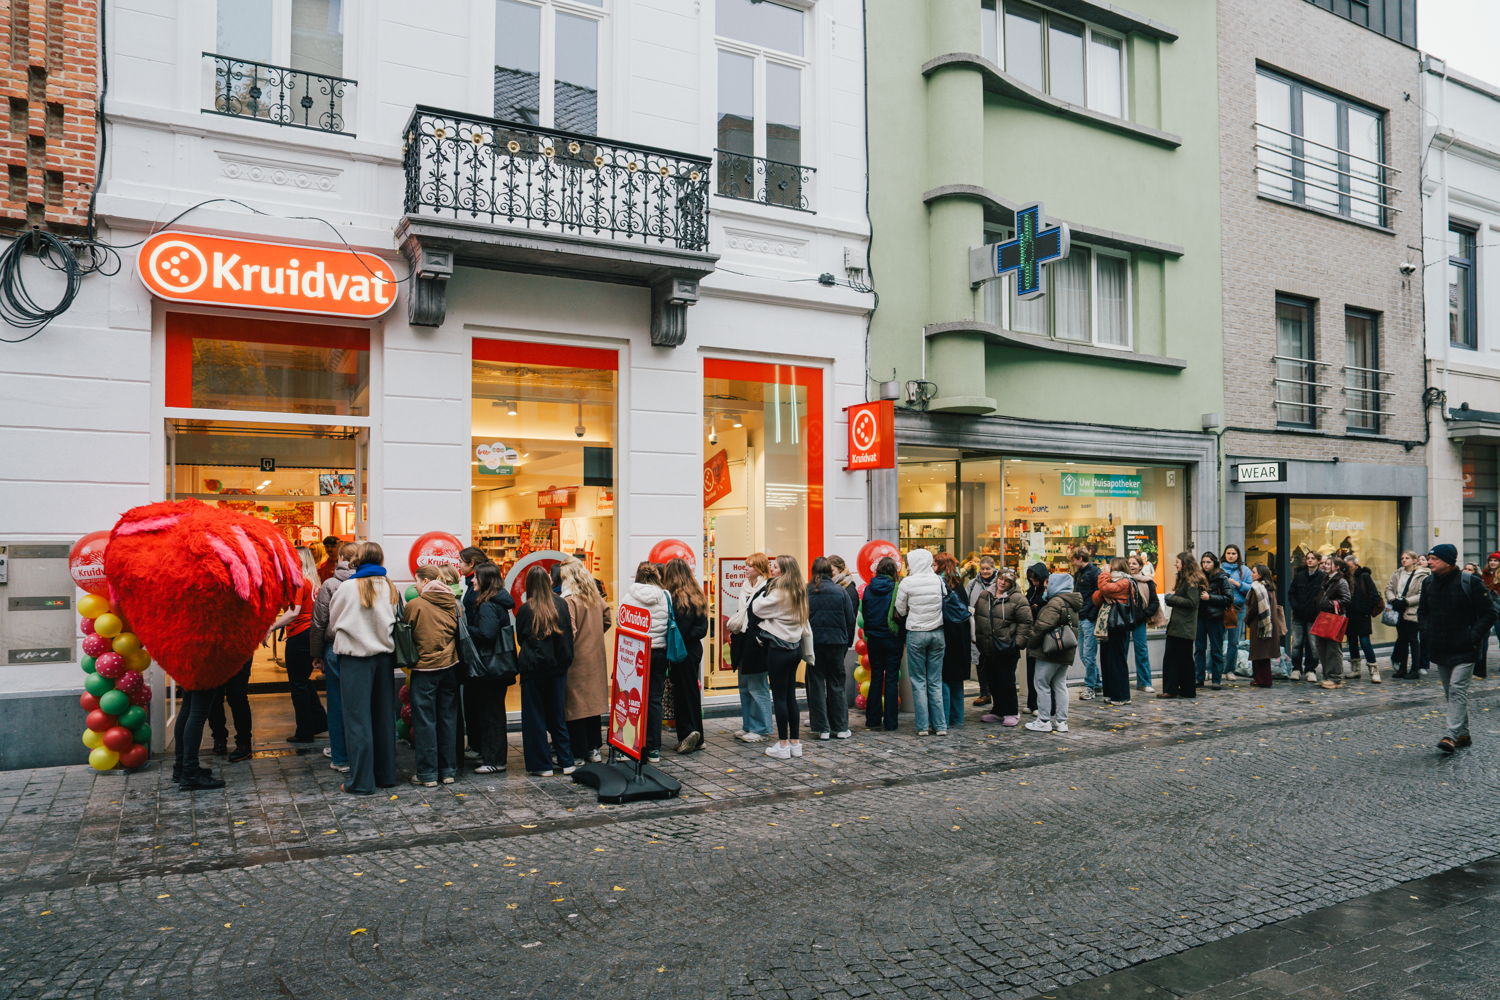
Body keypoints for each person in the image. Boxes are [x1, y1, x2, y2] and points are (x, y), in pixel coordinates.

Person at [326, 541, 400, 795]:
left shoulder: (347, 587)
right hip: (383, 659)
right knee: (384, 718)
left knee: (357, 721)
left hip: (355, 660)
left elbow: (334, 622)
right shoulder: (390, 587)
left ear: (357, 559)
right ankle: (386, 775)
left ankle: (361, 781)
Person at [1420, 544, 1498, 752]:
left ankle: (1451, 735)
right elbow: (1423, 612)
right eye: (1429, 558)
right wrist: (1427, 632)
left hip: (1465, 648)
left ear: (1448, 560)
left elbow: (1489, 613)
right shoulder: (1428, 583)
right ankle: (1463, 734)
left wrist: (1472, 637)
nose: (1429, 562)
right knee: (1450, 692)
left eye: (1434, 559)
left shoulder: (1469, 581)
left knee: (1457, 689)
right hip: (1440, 647)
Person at [748, 555, 814, 759]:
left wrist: (761, 592)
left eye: (775, 567)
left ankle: (783, 744)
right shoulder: (799, 590)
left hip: (778, 648)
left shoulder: (780, 591)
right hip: (794, 648)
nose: (772, 569)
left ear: (784, 570)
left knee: (779, 697)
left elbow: (757, 607)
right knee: (790, 697)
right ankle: (795, 742)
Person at [403, 564, 462, 787]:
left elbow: (406, 633)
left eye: (417, 581)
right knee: (447, 718)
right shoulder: (452, 603)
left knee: (425, 721)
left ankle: (427, 773)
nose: (415, 586)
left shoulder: (415, 605)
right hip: (449, 666)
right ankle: (448, 770)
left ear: (425, 582)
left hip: (425, 668)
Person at [515, 565, 575, 775]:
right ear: (549, 582)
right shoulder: (560, 604)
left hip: (533, 670)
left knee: (535, 718)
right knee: (557, 715)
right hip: (557, 669)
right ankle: (567, 761)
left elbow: (521, 638)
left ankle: (542, 765)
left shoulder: (525, 609)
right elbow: (567, 636)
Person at [309, 540, 360, 773]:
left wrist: (316, 654)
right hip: (362, 647)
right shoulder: (368, 582)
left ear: (341, 558)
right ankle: (361, 753)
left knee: (337, 702)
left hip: (335, 647)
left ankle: (340, 756)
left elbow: (319, 622)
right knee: (360, 702)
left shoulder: (330, 584)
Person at [464, 561, 518, 773]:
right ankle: (494, 758)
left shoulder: (487, 606)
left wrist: (466, 628)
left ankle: (493, 760)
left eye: (476, 577)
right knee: (493, 712)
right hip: (497, 668)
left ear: (485, 580)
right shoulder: (498, 602)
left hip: (490, 669)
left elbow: (487, 634)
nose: (472, 580)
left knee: (490, 714)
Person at [274, 546, 327, 745]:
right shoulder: (314, 582)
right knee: (303, 681)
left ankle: (304, 731)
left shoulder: (299, 583)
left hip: (299, 634)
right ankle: (320, 721)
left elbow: (294, 612)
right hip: (311, 633)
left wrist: (270, 628)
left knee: (297, 685)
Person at [558, 558, 609, 764]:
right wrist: (595, 635)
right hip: (595, 657)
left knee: (575, 707)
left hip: (576, 660)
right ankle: (594, 748)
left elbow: (569, 631)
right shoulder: (595, 597)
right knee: (593, 706)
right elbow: (607, 619)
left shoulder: (569, 600)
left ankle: (579, 751)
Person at [895, 547, 946, 735]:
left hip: (916, 633)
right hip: (938, 633)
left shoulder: (907, 582)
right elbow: (944, 601)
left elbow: (899, 610)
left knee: (918, 681)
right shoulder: (938, 581)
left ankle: (923, 726)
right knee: (935, 681)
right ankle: (940, 725)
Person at [624, 562, 670, 764]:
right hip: (659, 651)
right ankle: (653, 749)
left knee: (632, 696)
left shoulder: (629, 596)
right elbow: (669, 621)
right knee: (654, 699)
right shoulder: (665, 596)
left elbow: (621, 621)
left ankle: (631, 742)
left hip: (636, 652)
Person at [662, 557, 709, 754]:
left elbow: (676, 630)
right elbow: (703, 629)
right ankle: (699, 735)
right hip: (695, 649)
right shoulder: (698, 595)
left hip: (680, 651)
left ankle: (687, 734)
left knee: (682, 693)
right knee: (692, 691)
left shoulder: (675, 599)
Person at [973, 567, 1030, 726]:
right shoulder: (985, 595)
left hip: (1007, 646)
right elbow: (978, 616)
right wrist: (978, 639)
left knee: (1006, 680)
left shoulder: (1018, 598)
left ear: (1012, 583)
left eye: (1007, 581)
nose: (1002, 583)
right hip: (987, 645)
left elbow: (1025, 623)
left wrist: (1017, 643)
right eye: (1001, 579)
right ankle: (998, 710)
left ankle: (1011, 711)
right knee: (992, 680)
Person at [1025, 571, 1081, 733]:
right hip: (1065, 650)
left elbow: (1041, 626)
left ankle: (1043, 720)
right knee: (1060, 684)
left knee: (1042, 683)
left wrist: (1031, 643)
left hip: (1050, 650)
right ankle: (1062, 722)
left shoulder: (1055, 603)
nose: (1045, 585)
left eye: (1049, 582)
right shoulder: (1072, 602)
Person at [807, 556, 857, 740]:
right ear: (830, 571)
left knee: (817, 683)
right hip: (837, 643)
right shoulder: (840, 591)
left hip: (815, 643)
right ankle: (841, 727)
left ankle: (822, 728)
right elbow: (850, 619)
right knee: (836, 683)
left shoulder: (807, 590)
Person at [727, 553, 774, 744]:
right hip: (743, 639)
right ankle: (748, 725)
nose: (745, 568)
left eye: (750, 565)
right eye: (746, 565)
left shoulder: (767, 588)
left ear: (760, 568)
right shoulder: (745, 588)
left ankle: (761, 728)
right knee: (744, 685)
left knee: (758, 686)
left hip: (756, 641)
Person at [860, 556, 903, 732]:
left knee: (876, 677)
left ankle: (872, 719)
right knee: (892, 679)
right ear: (894, 571)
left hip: (874, 639)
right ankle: (891, 722)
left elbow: (865, 613)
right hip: (892, 638)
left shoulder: (869, 589)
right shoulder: (896, 588)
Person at [935, 552, 971, 731]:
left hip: (947, 635)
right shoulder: (959, 584)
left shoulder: (939, 584)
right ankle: (958, 718)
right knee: (957, 680)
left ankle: (946, 717)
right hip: (961, 637)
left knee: (945, 678)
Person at [1158, 552, 1202, 699]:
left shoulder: (1191, 581)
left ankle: (1180, 690)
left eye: (1177, 562)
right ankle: (1180, 690)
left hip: (1184, 628)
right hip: (1179, 627)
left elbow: (1192, 603)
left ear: (1184, 563)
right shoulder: (1185, 579)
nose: (1176, 565)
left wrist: (1171, 598)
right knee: (1177, 659)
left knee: (1180, 659)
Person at [1092, 558, 1135, 706]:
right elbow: (1096, 597)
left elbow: (1104, 589)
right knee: (1107, 659)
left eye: (1111, 568)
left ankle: (1121, 695)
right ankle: (1110, 693)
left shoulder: (1125, 581)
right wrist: (1104, 595)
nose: (1109, 570)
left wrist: (1104, 575)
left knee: (1117, 660)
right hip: (1108, 626)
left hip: (1118, 625)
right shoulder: (1112, 581)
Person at [1386, 550, 1429, 679]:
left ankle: (1415, 669)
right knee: (1402, 640)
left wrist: (1406, 601)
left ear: (1414, 560)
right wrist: (1393, 600)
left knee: (1413, 640)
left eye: (1407, 558)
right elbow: (1388, 588)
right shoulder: (1398, 573)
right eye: (1402, 558)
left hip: (1412, 611)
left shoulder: (1422, 575)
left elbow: (1422, 594)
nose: (1404, 560)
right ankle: (1402, 669)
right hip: (1398, 610)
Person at [965, 555, 1001, 706]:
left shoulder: (1001, 582)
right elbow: (966, 601)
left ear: (993, 568)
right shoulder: (973, 584)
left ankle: (997, 694)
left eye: (988, 569)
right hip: (978, 628)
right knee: (980, 662)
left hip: (996, 628)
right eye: (983, 569)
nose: (985, 572)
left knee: (995, 662)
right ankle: (984, 693)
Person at [1193, 552, 1232, 690]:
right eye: (1203, 562)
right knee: (1199, 649)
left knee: (1216, 649)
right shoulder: (1198, 578)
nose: (1205, 565)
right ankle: (1199, 678)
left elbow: (1228, 598)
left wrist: (1210, 597)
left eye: (1208, 562)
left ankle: (1216, 680)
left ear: (1214, 563)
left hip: (1216, 618)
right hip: (1200, 617)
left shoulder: (1222, 577)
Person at [1313, 553, 1352, 690]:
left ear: (1336, 567)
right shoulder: (1326, 579)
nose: (1325, 565)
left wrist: (1329, 603)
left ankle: (1335, 678)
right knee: (1321, 646)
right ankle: (1327, 676)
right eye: (1325, 563)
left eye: (1329, 564)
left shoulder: (1341, 581)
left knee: (1333, 649)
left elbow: (1346, 599)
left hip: (1334, 618)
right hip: (1324, 617)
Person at [1287, 551, 1326, 682]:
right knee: (1297, 644)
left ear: (1318, 561)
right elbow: (1291, 593)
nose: (1309, 560)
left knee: (1313, 645)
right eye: (1308, 558)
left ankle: (1310, 669)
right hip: (1298, 615)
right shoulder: (1299, 575)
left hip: (1314, 617)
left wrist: (1318, 609)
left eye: (1312, 558)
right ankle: (1296, 669)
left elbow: (1325, 596)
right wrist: (1295, 606)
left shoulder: (1322, 577)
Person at [206, 657, 253, 764]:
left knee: (237, 697)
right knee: (214, 698)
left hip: (240, 651)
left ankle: (244, 743)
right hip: (215, 654)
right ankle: (219, 739)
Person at [1344, 555, 1382, 682]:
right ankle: (1355, 670)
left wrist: (1366, 610)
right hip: (1350, 615)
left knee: (1365, 642)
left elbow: (1374, 595)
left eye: (1348, 566)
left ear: (1355, 564)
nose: (1347, 568)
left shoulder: (1364, 576)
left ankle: (1374, 671)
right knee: (1352, 642)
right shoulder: (1346, 577)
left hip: (1362, 615)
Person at [1071, 548, 1102, 700]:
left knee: (1088, 655)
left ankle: (1090, 685)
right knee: (1084, 654)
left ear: (1080, 558)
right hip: (1081, 617)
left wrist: (1090, 613)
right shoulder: (1079, 574)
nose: (1072, 562)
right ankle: (1097, 682)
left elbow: (1097, 595)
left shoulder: (1093, 572)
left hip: (1088, 618)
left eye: (1074, 559)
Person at [1245, 564, 1284, 688]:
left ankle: (1262, 680)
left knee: (1259, 654)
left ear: (1260, 575)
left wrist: (1247, 620)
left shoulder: (1257, 588)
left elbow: (1253, 608)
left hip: (1260, 625)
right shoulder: (1269, 587)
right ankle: (1263, 679)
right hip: (1269, 624)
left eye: (1254, 572)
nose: (1252, 574)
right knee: (1264, 655)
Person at [1022, 562, 1050, 716]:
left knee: (1041, 672)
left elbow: (1046, 608)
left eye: (1036, 580)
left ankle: (1039, 704)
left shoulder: (1046, 591)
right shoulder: (1031, 590)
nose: (1034, 582)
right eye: (1032, 580)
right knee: (1031, 669)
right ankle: (1031, 702)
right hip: (1031, 632)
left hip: (1041, 633)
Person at [1220, 544, 1253, 676]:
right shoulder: (1219, 569)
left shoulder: (1245, 570)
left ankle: (1229, 670)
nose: (1231, 556)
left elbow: (1251, 589)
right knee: (1216, 639)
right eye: (1228, 553)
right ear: (1224, 554)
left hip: (1238, 609)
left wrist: (1237, 584)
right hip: (1221, 608)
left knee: (1234, 642)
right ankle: (1211, 668)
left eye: (1233, 553)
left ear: (1238, 555)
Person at [1126, 554, 1155, 694]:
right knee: (1122, 651)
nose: (1131, 566)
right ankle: (1121, 681)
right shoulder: (1123, 580)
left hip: (1139, 620)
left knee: (1142, 651)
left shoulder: (1148, 581)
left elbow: (1154, 602)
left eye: (1134, 564)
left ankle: (1144, 682)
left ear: (1140, 566)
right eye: (1129, 563)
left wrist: (1143, 614)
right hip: (1124, 621)